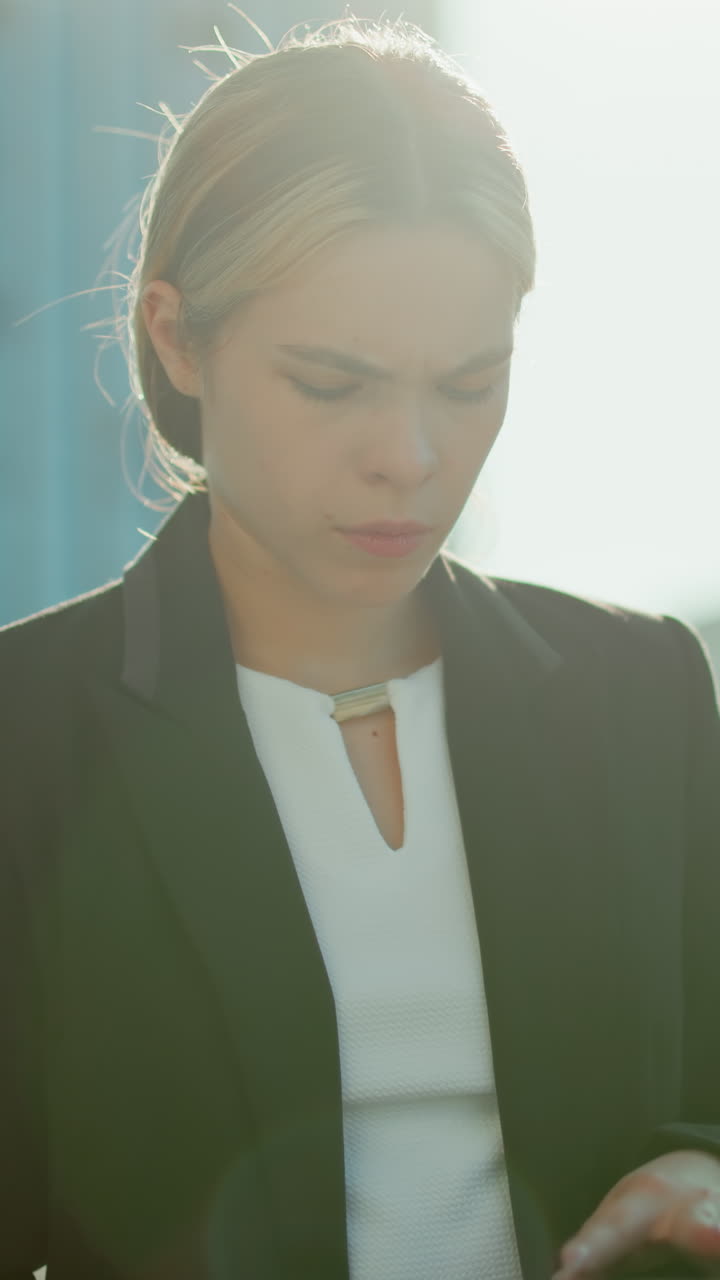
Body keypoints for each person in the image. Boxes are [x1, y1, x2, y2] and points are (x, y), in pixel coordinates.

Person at [2, 15, 720, 1280]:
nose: (412, 455)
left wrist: (700, 1167)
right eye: (332, 383)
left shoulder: (641, 689)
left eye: (468, 380)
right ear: (177, 334)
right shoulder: (27, 736)